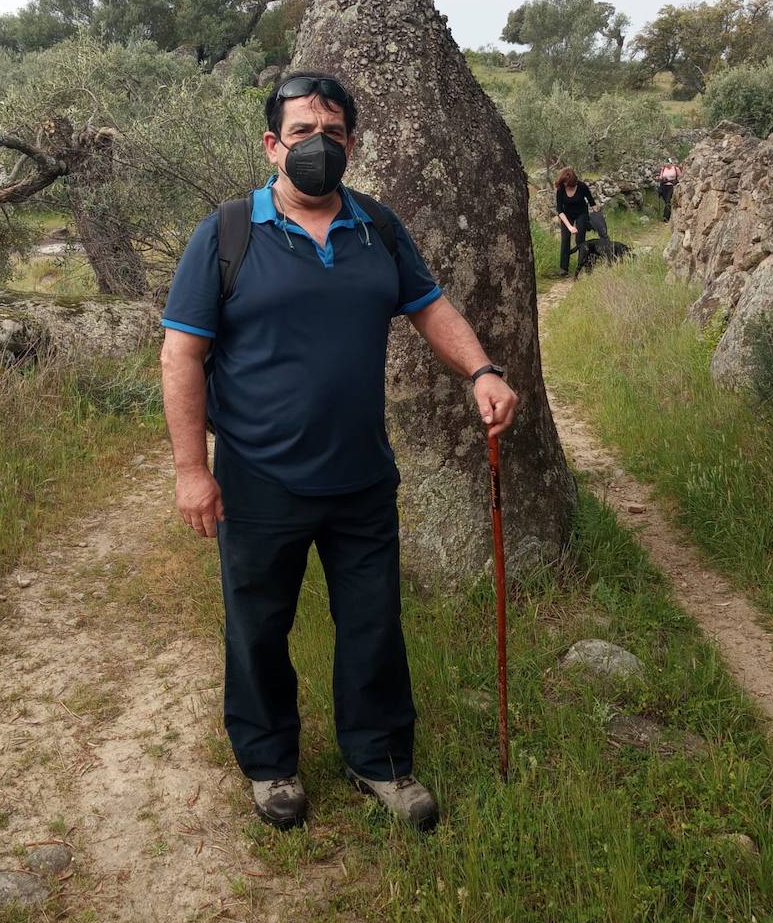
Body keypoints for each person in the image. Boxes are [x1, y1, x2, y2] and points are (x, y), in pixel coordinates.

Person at [159, 72, 518, 834]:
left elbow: (429, 306)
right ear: (271, 145)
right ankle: (270, 766)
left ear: (351, 143)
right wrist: (193, 471)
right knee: (257, 627)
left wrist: (481, 370)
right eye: (300, 132)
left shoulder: (378, 228)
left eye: (331, 131)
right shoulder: (225, 233)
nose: (316, 145)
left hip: (360, 473)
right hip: (257, 479)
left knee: (372, 623)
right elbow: (180, 356)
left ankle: (380, 762)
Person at [555, 167, 609, 276]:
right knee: (565, 239)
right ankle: (564, 268)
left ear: (573, 181)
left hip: (581, 213)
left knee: (580, 240)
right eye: (564, 182)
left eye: (567, 183)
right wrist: (570, 227)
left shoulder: (582, 186)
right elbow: (560, 210)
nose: (566, 185)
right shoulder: (561, 189)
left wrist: (598, 218)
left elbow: (592, 202)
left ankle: (583, 265)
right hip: (566, 214)